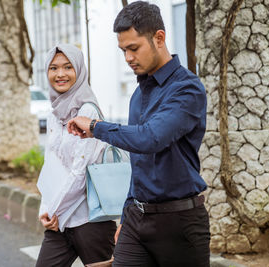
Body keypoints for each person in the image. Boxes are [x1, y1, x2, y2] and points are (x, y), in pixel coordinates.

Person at [67, 2, 210, 266]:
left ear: (159, 38)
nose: (128, 58)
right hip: (137, 219)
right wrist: (126, 215)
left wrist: (96, 127)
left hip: (180, 223)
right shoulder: (138, 95)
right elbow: (140, 166)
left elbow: (150, 139)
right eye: (123, 51)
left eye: (134, 48)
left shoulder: (187, 88)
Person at [36, 43, 116, 267]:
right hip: (59, 222)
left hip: (90, 221)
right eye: (53, 68)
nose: (60, 74)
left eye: (68, 67)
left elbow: (80, 173)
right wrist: (46, 209)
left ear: (79, 70)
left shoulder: (87, 112)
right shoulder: (54, 113)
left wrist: (54, 209)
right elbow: (50, 165)